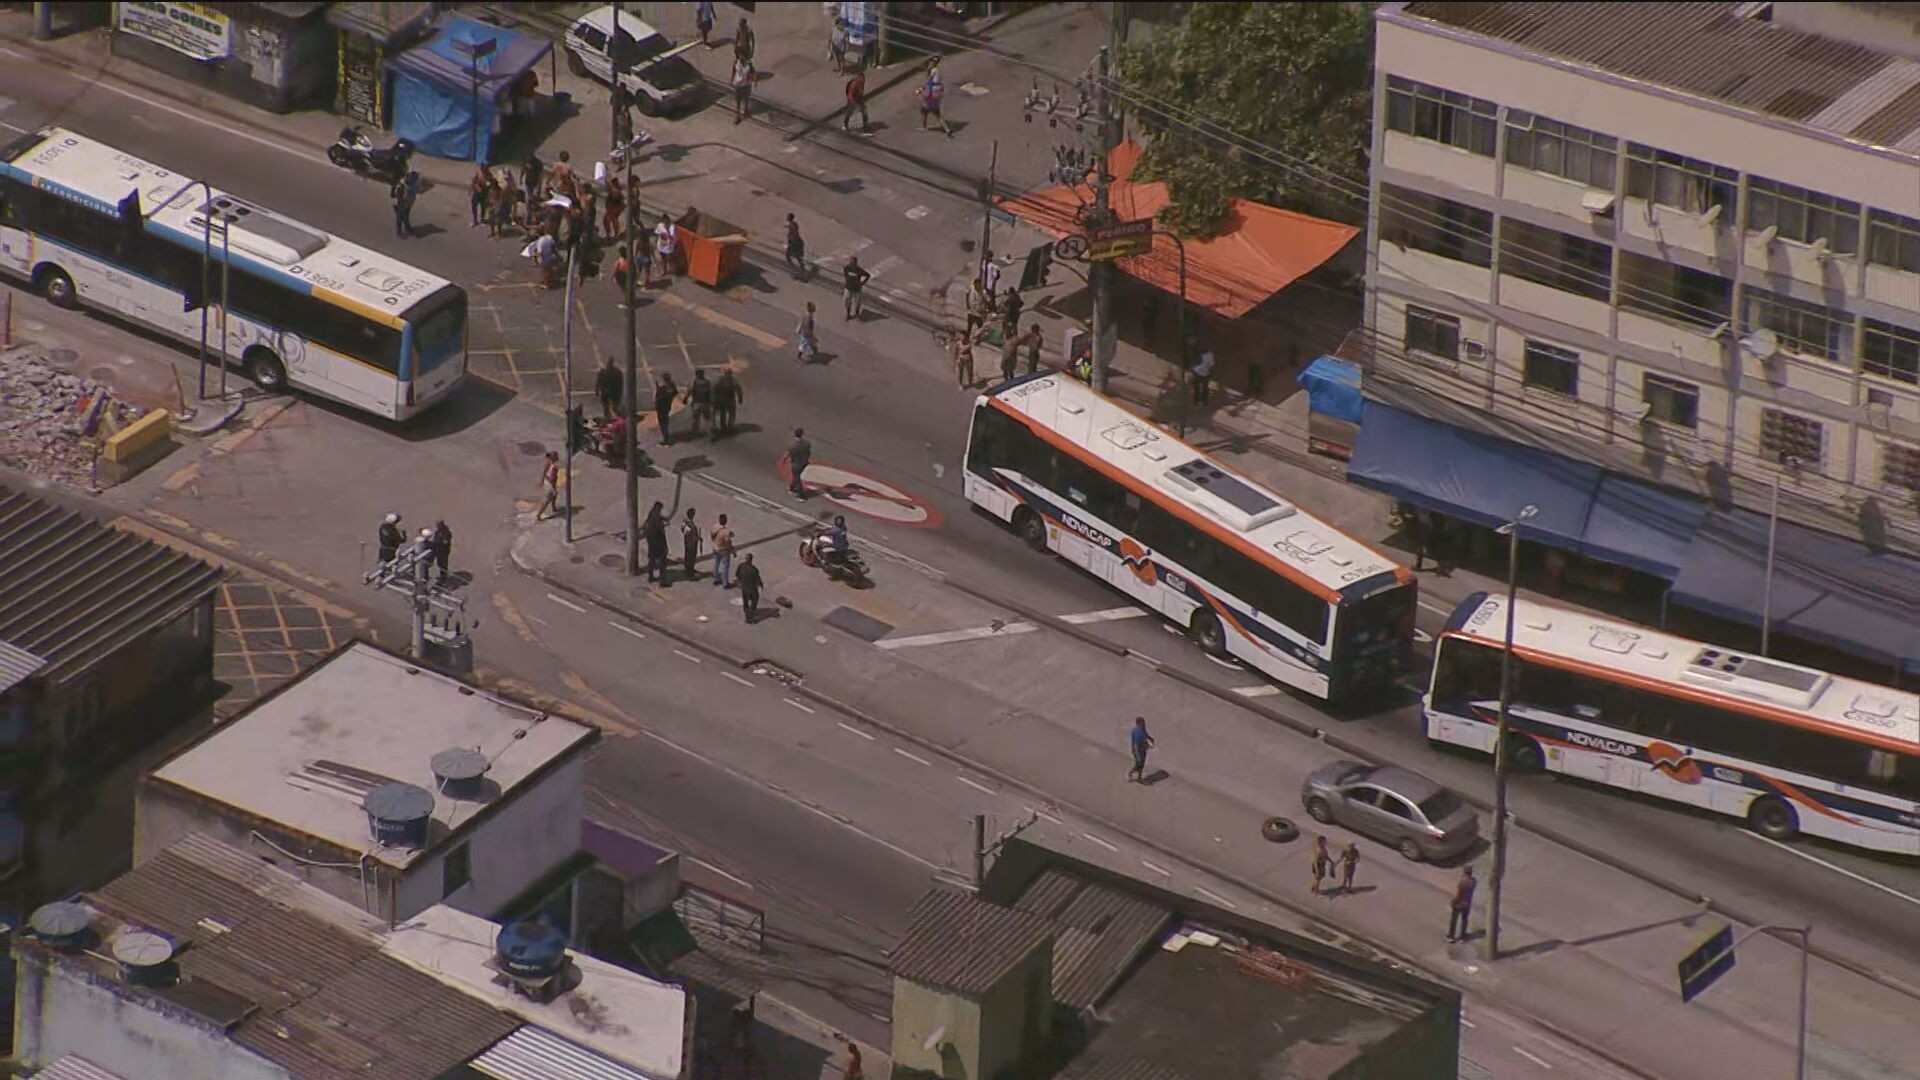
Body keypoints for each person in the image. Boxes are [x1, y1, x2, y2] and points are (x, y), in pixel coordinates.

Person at [918, 57, 951, 135]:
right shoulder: (937, 71)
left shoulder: (933, 71)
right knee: (937, 113)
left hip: (930, 94)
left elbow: (928, 81)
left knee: (924, 111)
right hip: (936, 93)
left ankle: (924, 127)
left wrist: (920, 89)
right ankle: (947, 129)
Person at [1447, 866, 1476, 943]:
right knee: (1464, 919)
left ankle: (1451, 936)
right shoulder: (1473, 881)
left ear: (1464, 872)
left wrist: (1454, 902)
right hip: (1467, 903)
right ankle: (1462, 936)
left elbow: (1459, 894)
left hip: (1459, 903)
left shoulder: (1462, 881)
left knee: (1454, 920)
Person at [642, 501, 668, 583]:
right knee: (661, 560)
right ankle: (662, 580)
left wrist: (663, 518)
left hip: (651, 540)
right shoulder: (657, 519)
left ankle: (650, 577)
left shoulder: (652, 513)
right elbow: (659, 528)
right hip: (657, 541)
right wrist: (663, 525)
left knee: (651, 559)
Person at [391, 171, 418, 239]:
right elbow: (399, 197)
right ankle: (399, 232)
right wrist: (401, 206)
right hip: (402, 204)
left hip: (408, 203)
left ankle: (408, 228)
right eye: (414, 178)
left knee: (406, 216)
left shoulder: (413, 184)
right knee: (400, 218)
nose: (415, 180)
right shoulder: (402, 187)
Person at [842, 255, 871, 320]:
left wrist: (863, 283)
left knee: (857, 303)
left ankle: (857, 314)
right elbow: (846, 274)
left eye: (853, 263)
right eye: (851, 262)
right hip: (848, 288)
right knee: (847, 302)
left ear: (856, 263)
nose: (852, 264)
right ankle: (848, 314)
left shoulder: (859, 270)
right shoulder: (846, 268)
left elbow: (868, 275)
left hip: (857, 289)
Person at [710, 512, 735, 587]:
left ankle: (716, 579)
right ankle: (725, 582)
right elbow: (728, 543)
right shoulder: (726, 531)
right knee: (725, 566)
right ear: (725, 521)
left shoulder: (715, 526)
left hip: (715, 548)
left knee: (716, 564)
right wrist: (733, 551)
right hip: (723, 550)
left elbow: (712, 535)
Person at [686, 369, 714, 434]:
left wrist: (685, 398)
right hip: (706, 403)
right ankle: (711, 432)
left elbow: (690, 391)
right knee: (708, 419)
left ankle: (695, 432)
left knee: (696, 418)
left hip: (697, 403)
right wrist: (712, 402)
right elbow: (711, 392)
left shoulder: (694, 382)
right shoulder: (707, 382)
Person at [1127, 717, 1155, 782]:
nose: (1144, 724)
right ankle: (1130, 773)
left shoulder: (1142, 729)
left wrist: (1150, 738)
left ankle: (1139, 778)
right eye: (1142, 723)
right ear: (1139, 723)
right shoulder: (1136, 732)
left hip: (1143, 749)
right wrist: (1138, 755)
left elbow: (1146, 735)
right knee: (1138, 764)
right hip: (1138, 751)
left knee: (1142, 765)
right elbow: (1135, 745)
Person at [653, 373, 678, 445]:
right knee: (665, 422)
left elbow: (659, 397)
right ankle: (665, 436)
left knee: (662, 423)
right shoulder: (671, 386)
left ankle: (665, 438)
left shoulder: (663, 388)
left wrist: (657, 388)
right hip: (667, 406)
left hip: (661, 407)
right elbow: (674, 392)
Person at [737, 553, 762, 621]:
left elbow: (738, 575)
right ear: (751, 560)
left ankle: (747, 613)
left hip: (744, 587)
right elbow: (757, 579)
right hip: (752, 588)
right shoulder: (754, 569)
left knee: (745, 601)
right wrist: (761, 585)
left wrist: (739, 583)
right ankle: (750, 615)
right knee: (754, 599)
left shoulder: (741, 566)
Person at [844, 69, 870, 134]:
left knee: (865, 113)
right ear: (858, 78)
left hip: (859, 100)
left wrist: (862, 101)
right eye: (862, 79)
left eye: (864, 79)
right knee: (849, 113)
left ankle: (865, 128)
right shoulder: (854, 85)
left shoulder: (862, 83)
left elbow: (861, 92)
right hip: (852, 101)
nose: (863, 80)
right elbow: (850, 96)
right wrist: (855, 105)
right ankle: (845, 125)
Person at [786, 428, 811, 497]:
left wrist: (783, 461)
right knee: (796, 476)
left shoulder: (793, 446)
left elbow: (787, 454)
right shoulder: (807, 443)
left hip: (796, 464)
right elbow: (808, 453)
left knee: (797, 478)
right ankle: (791, 487)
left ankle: (800, 494)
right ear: (802, 434)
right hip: (804, 463)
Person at [536, 451, 561, 520]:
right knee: (547, 500)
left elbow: (544, 472)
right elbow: (552, 479)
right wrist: (554, 487)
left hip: (546, 482)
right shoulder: (555, 467)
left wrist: (542, 480)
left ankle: (554, 507)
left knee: (554, 495)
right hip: (550, 484)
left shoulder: (549, 463)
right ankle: (539, 514)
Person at [654, 213, 679, 277]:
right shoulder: (660, 225)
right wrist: (655, 242)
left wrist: (668, 231)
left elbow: (674, 238)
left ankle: (674, 271)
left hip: (669, 247)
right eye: (664, 222)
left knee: (670, 260)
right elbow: (657, 234)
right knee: (663, 259)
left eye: (667, 221)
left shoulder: (672, 227)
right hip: (661, 246)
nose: (665, 223)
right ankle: (664, 271)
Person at [731, 56, 754, 124]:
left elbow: (752, 72)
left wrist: (753, 80)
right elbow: (733, 71)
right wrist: (731, 81)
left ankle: (745, 112)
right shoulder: (736, 62)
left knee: (746, 99)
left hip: (746, 84)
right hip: (737, 84)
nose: (741, 57)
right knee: (737, 101)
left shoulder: (749, 63)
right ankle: (737, 116)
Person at [680, 507, 702, 581]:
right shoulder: (690, 524)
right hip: (691, 543)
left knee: (687, 555)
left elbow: (682, 530)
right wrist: (698, 538)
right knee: (691, 557)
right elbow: (691, 534)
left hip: (687, 541)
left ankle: (688, 568)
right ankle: (690, 571)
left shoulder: (685, 521)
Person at [429, 519, 453, 585]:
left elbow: (445, 542)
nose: (437, 526)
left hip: (443, 552)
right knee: (439, 564)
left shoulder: (446, 532)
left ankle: (443, 579)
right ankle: (442, 577)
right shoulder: (438, 531)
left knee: (443, 565)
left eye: (438, 524)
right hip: (438, 551)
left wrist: (437, 543)